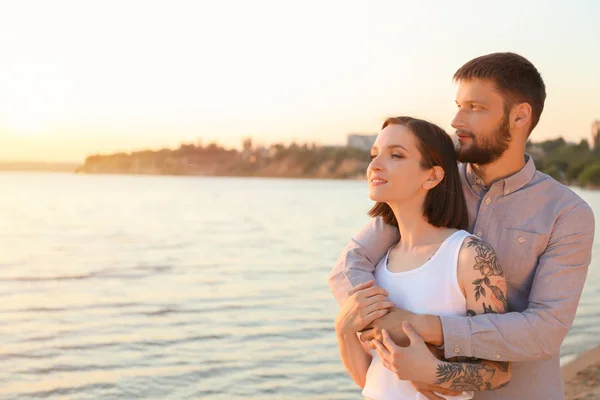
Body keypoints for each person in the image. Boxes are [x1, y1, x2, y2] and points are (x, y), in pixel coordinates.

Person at [329, 52, 595, 399]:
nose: (456, 119)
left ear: (520, 115)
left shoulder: (567, 213)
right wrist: (375, 323)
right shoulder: (432, 183)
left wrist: (426, 331)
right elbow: (350, 265)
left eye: (474, 107)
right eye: (457, 105)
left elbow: (545, 330)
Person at [334, 116, 512, 399]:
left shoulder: (469, 256)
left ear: (432, 175)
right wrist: (343, 330)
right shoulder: (380, 263)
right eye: (374, 154)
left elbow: (500, 370)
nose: (375, 165)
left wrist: (429, 370)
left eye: (396, 155)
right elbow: (370, 380)